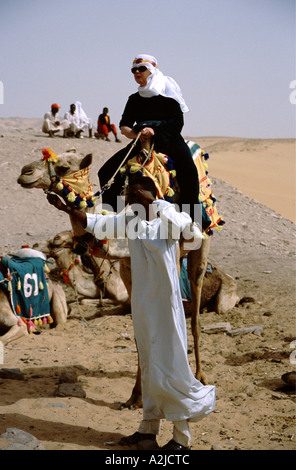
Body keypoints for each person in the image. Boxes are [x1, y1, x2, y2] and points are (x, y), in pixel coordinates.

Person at [46, 175, 216, 450]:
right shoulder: (131, 220)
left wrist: (158, 204)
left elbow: (192, 234)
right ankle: (148, 430)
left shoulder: (168, 217)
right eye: (129, 194)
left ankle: (181, 439)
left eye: (136, 194)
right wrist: (67, 209)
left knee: (170, 365)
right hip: (142, 305)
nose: (130, 198)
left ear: (149, 195)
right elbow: (97, 224)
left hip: (165, 306)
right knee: (148, 364)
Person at [98, 54, 201, 223]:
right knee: (106, 171)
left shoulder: (168, 94)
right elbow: (124, 124)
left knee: (189, 171)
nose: (137, 72)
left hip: (169, 140)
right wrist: (133, 134)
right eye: (134, 70)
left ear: (152, 71)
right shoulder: (134, 99)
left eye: (141, 69)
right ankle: (110, 220)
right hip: (140, 142)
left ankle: (192, 221)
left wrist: (154, 131)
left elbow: (178, 123)